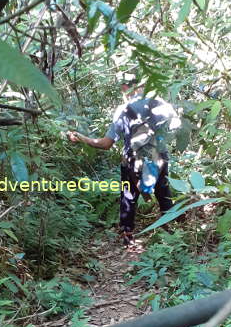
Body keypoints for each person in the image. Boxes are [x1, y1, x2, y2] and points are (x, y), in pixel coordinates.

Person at [67, 76, 181, 247]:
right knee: (163, 191)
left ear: (125, 88)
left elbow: (106, 144)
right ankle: (172, 232)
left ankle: (128, 235)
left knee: (128, 195)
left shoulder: (123, 109)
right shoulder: (161, 104)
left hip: (132, 159)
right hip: (159, 156)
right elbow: (175, 127)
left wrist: (82, 138)